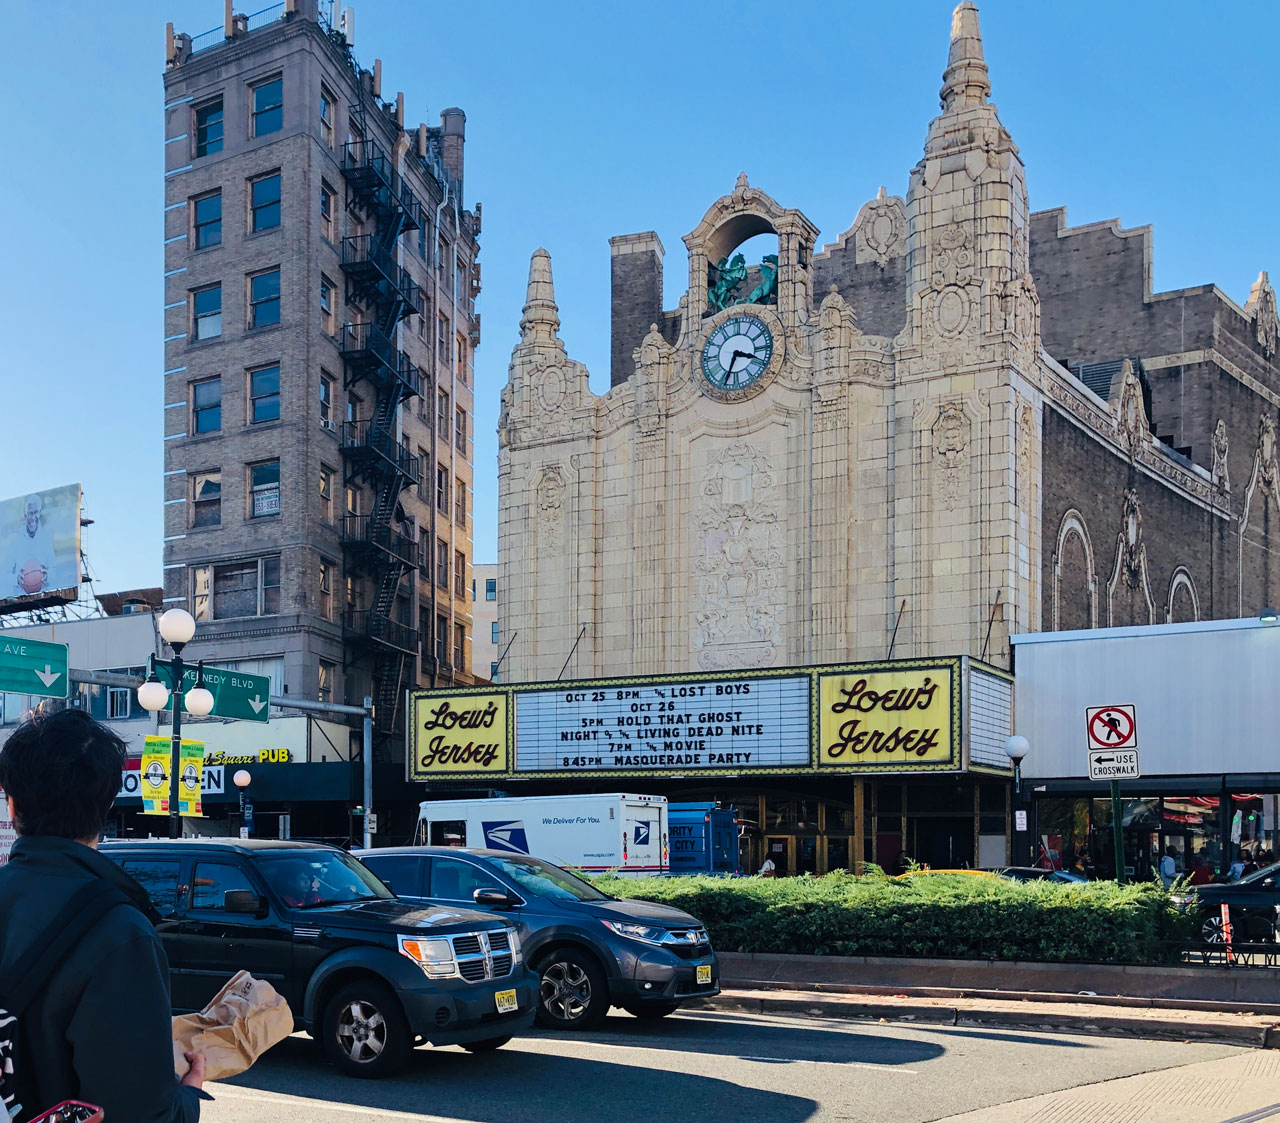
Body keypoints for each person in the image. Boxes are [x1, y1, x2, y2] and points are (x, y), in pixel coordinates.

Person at [0, 709, 209, 1122]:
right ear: (108, 803)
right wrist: (188, 1098)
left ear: (12, 804)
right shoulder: (118, 934)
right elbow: (137, 1114)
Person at [8, 494, 57, 598]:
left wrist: (48, 575)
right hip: (20, 599)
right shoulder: (15, 541)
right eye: (30, 513)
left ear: (39, 514)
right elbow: (3, 573)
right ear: (25, 516)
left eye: (36, 513)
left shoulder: (46, 539)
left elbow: (54, 569)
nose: (33, 517)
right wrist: (16, 579)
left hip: (43, 597)